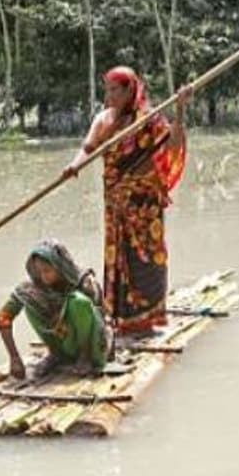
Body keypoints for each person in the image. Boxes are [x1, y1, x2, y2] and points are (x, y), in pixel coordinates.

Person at [64, 66, 188, 336]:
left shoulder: (150, 120)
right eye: (106, 89)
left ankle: (149, 317)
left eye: (114, 90)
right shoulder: (103, 120)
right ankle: (123, 319)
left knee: (148, 257)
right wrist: (74, 166)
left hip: (144, 205)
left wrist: (179, 110)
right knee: (120, 257)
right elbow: (88, 149)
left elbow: (173, 145)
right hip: (117, 204)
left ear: (130, 90)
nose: (109, 96)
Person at [0, 239, 109, 380]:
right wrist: (14, 358)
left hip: (93, 346)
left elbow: (101, 318)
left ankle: (84, 357)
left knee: (77, 302)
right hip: (61, 343)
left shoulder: (84, 281)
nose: (43, 276)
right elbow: (3, 317)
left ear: (59, 267)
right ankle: (56, 353)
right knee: (28, 301)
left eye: (47, 271)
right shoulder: (33, 287)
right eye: (39, 271)